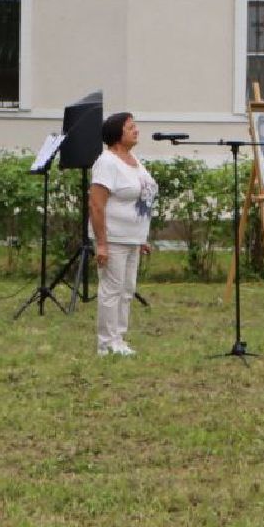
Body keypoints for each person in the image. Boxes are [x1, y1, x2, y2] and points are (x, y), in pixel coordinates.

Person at [89, 112, 157, 357]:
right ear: (117, 134)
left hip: (132, 238)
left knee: (127, 290)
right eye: (130, 127)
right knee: (112, 290)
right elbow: (96, 204)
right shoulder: (107, 162)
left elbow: (140, 198)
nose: (136, 130)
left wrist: (141, 238)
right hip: (113, 238)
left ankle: (119, 339)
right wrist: (102, 244)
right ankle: (106, 344)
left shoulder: (133, 159)